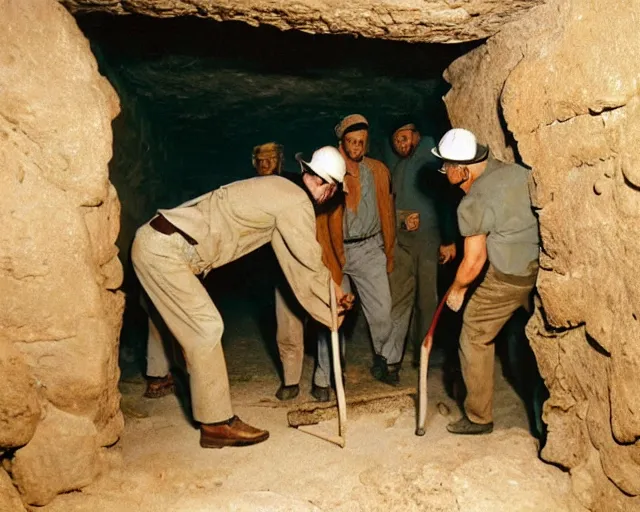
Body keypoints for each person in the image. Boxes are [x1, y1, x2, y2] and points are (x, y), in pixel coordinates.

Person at [131, 146, 353, 448]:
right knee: (207, 328)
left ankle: (180, 384)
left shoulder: (277, 189)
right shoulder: (296, 201)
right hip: (166, 251)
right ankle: (216, 424)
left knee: (188, 327)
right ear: (328, 185)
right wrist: (333, 302)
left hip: (155, 242)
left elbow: (294, 262)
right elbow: (309, 261)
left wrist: (332, 295)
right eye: (335, 190)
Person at [432, 128, 539, 435]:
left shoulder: (473, 201)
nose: (444, 172)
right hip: (537, 269)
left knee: (474, 333)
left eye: (446, 166)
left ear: (460, 169)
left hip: (508, 277)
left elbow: (474, 261)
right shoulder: (516, 171)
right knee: (522, 338)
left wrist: (457, 289)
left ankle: (479, 417)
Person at [314, 114, 396, 400]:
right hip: (337, 252)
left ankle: (385, 360)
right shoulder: (329, 171)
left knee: (384, 310)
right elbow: (321, 220)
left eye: (361, 141)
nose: (357, 146)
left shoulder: (378, 171)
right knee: (332, 313)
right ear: (341, 144)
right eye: (351, 141)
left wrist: (388, 250)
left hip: (369, 248)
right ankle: (325, 377)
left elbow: (387, 211)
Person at [384, 122, 459, 383]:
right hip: (403, 243)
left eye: (405, 138)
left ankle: (422, 358)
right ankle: (391, 360)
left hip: (428, 240)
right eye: (397, 141)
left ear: (416, 134)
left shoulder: (429, 154)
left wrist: (448, 238)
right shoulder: (401, 166)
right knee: (399, 298)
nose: (402, 144)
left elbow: (446, 197)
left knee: (427, 300)